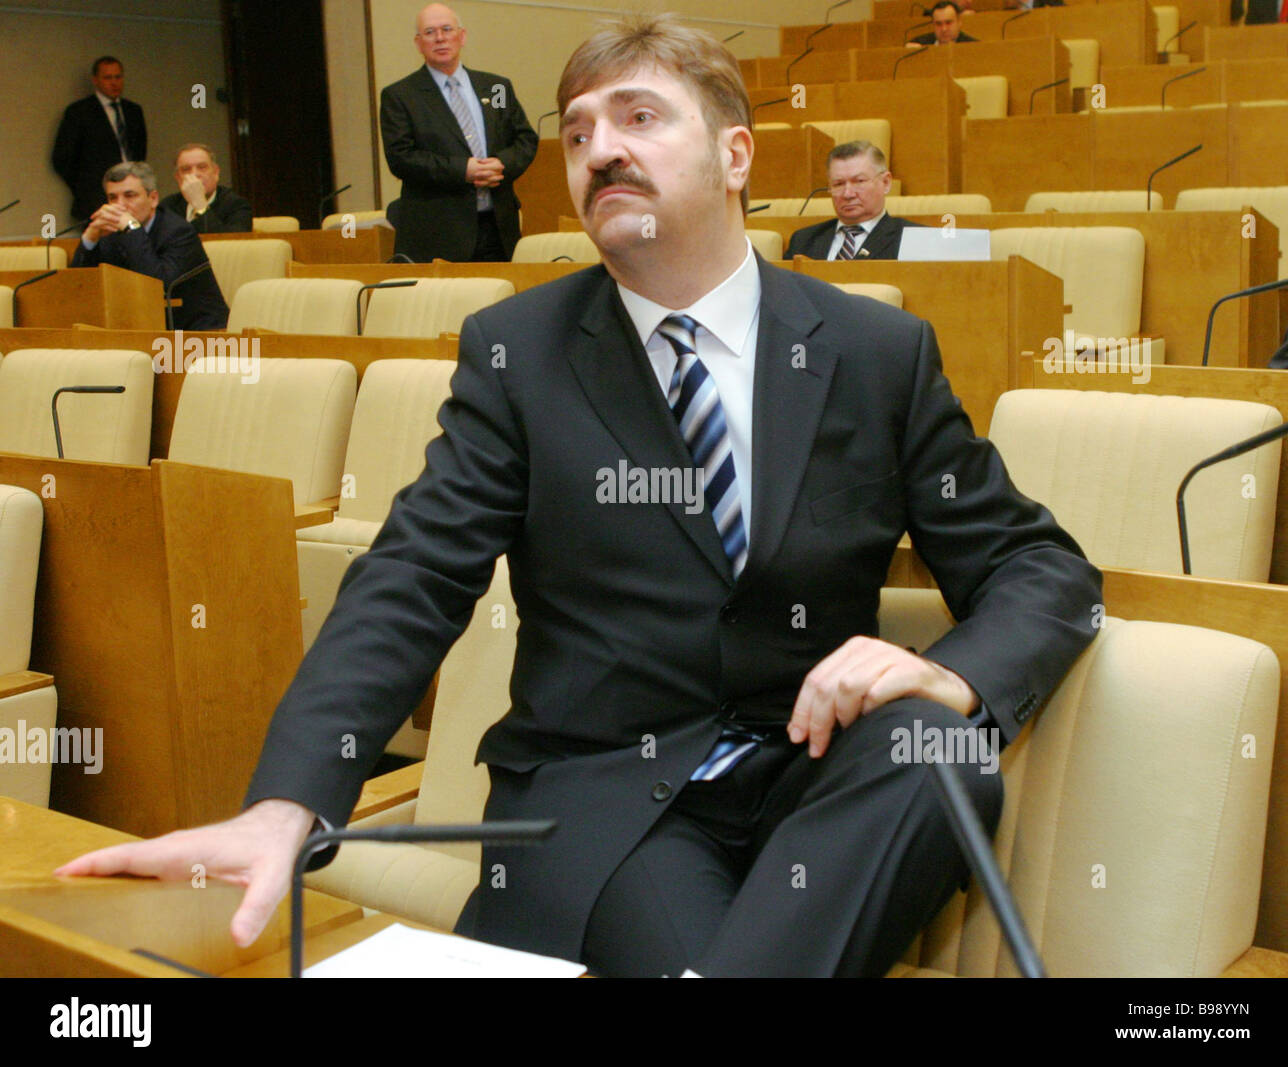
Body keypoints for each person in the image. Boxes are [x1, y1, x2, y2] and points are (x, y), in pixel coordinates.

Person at [58, 14, 1101, 978]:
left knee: (938, 748)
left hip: (817, 783)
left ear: (736, 155)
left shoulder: (876, 351)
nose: (600, 148)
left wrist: (949, 673)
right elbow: (412, 576)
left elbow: (1039, 567)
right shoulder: (520, 353)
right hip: (616, 804)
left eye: (639, 117)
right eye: (578, 133)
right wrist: (289, 801)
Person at [379, 3, 538, 261]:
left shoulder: (496, 88)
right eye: (430, 32)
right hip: (438, 233)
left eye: (447, 29)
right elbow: (401, 158)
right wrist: (463, 170)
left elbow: (523, 138)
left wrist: (502, 164)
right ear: (418, 43)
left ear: (462, 36)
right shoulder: (401, 96)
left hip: (498, 228)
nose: (440, 38)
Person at [71, 162, 228, 330]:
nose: (120, 206)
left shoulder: (179, 232)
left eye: (129, 196)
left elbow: (158, 286)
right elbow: (78, 289)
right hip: (136, 327)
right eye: (113, 198)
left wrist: (132, 229)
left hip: (196, 331)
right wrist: (90, 237)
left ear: (153, 199)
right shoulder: (111, 233)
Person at [785, 141, 921, 261]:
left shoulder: (914, 240)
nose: (848, 194)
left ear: (885, 182)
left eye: (859, 181)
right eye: (838, 184)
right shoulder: (803, 241)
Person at [52, 56, 148, 223]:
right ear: (95, 80)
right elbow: (62, 158)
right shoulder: (79, 112)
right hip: (95, 198)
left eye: (118, 77)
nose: (114, 83)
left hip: (132, 194)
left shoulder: (133, 111)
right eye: (108, 78)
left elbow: (140, 151)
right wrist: (85, 187)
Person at [159, 144, 253, 234]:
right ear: (178, 178)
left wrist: (200, 205)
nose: (195, 174)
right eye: (186, 169)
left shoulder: (236, 205)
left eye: (202, 167)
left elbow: (228, 242)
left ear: (216, 173)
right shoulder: (167, 207)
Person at [909, 1, 979, 44]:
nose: (944, 29)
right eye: (938, 24)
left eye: (948, 23)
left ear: (959, 23)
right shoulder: (920, 44)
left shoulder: (972, 46)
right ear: (933, 25)